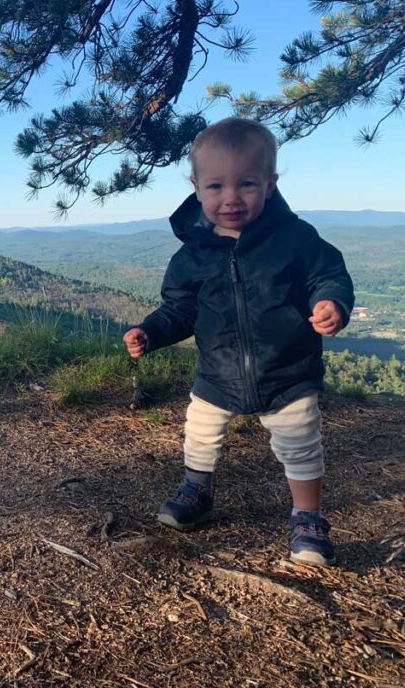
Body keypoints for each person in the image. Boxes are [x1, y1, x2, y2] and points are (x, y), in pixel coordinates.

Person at [123, 117, 354, 567]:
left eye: (247, 183)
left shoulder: (295, 238)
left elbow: (327, 275)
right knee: (201, 433)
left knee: (300, 442)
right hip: (217, 372)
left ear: (270, 183)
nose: (231, 198)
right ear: (196, 187)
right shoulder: (192, 254)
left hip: (287, 370)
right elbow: (180, 310)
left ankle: (308, 517)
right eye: (215, 187)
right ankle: (198, 490)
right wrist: (150, 332)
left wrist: (332, 303)